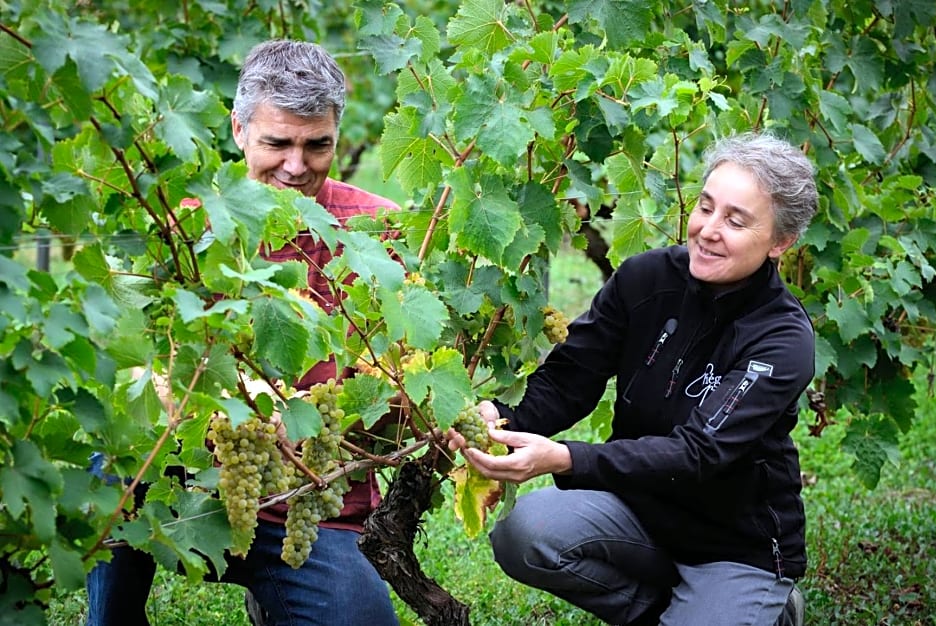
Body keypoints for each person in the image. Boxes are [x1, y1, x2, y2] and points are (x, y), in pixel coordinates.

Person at [86, 40, 400, 626]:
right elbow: (130, 364)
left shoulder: (380, 232)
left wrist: (324, 413)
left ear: (337, 132)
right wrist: (213, 403)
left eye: (317, 145)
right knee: (115, 462)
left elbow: (402, 378)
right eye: (277, 142)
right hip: (186, 488)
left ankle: (277, 592)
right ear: (238, 129)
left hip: (310, 502)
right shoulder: (180, 225)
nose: (296, 166)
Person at [450, 132, 816, 626]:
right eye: (706, 207)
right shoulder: (645, 279)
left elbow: (698, 453)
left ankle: (767, 610)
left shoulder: (781, 339)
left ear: (781, 242)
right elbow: (570, 377)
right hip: (640, 512)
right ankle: (672, 613)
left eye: (735, 220)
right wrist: (501, 414)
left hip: (733, 545)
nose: (708, 229)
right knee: (525, 534)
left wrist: (564, 458)